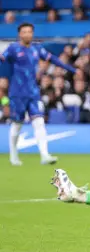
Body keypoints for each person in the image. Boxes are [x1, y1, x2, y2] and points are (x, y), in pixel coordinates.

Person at [1, 23, 77, 166]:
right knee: (17, 124)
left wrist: (71, 69)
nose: (27, 34)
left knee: (39, 122)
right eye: (24, 32)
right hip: (17, 93)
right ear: (19, 34)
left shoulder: (37, 49)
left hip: (33, 92)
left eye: (30, 31)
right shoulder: (13, 48)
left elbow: (52, 59)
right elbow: (2, 58)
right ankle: (13, 155)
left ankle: (44, 155)